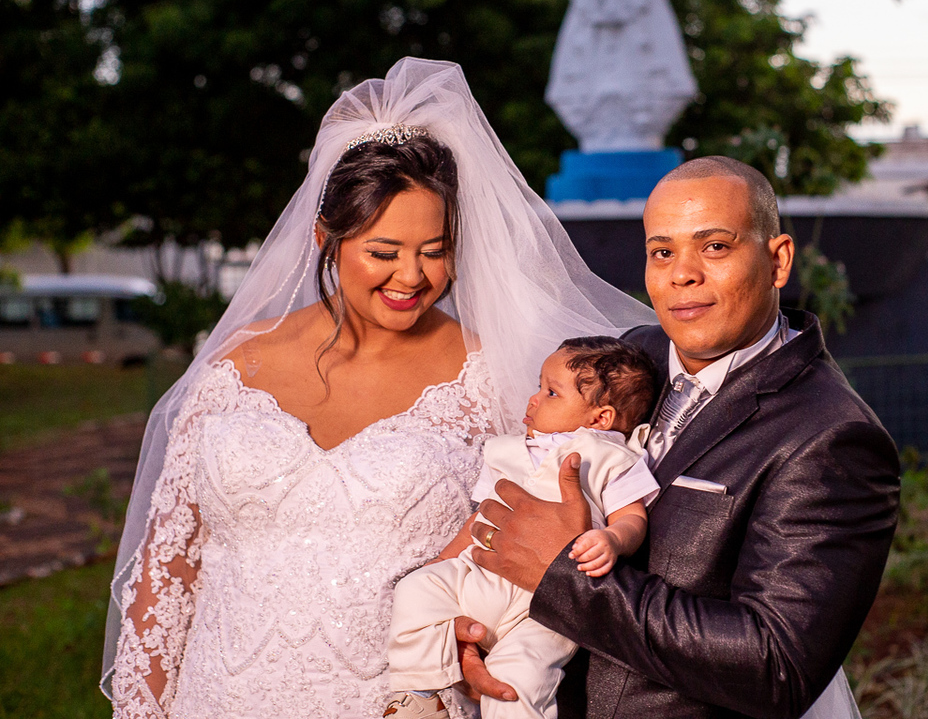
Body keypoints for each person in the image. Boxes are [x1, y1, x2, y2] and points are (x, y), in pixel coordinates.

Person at [101, 58, 656, 719]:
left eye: (435, 249)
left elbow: (535, 536)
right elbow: (167, 573)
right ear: (325, 238)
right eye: (384, 251)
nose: (412, 277)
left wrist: (490, 640)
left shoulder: (496, 378)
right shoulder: (234, 362)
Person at [463, 157, 902, 719]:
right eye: (662, 251)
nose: (682, 274)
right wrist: (476, 626)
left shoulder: (833, 437)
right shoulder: (626, 359)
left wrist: (566, 579)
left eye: (715, 246)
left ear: (777, 260)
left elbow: (778, 666)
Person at [384, 336, 659, 719]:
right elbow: (483, 516)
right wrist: (443, 562)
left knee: (519, 676)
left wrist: (612, 539)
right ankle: (419, 695)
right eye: (539, 386)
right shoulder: (506, 451)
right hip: (481, 578)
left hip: (547, 604)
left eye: (551, 392)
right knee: (415, 588)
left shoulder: (611, 457)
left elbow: (632, 517)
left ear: (600, 418)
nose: (533, 399)